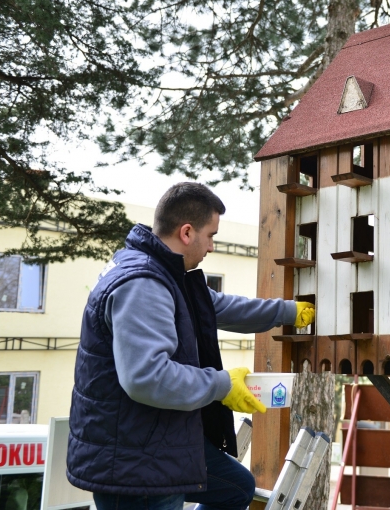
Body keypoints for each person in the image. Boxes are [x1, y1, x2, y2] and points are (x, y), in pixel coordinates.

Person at [66, 182, 314, 510]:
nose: (211, 247)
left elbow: (220, 307)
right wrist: (222, 385)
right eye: (211, 235)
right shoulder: (143, 284)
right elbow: (147, 377)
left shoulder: (166, 274)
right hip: (134, 462)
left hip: (155, 438)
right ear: (186, 233)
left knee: (236, 487)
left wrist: (288, 312)